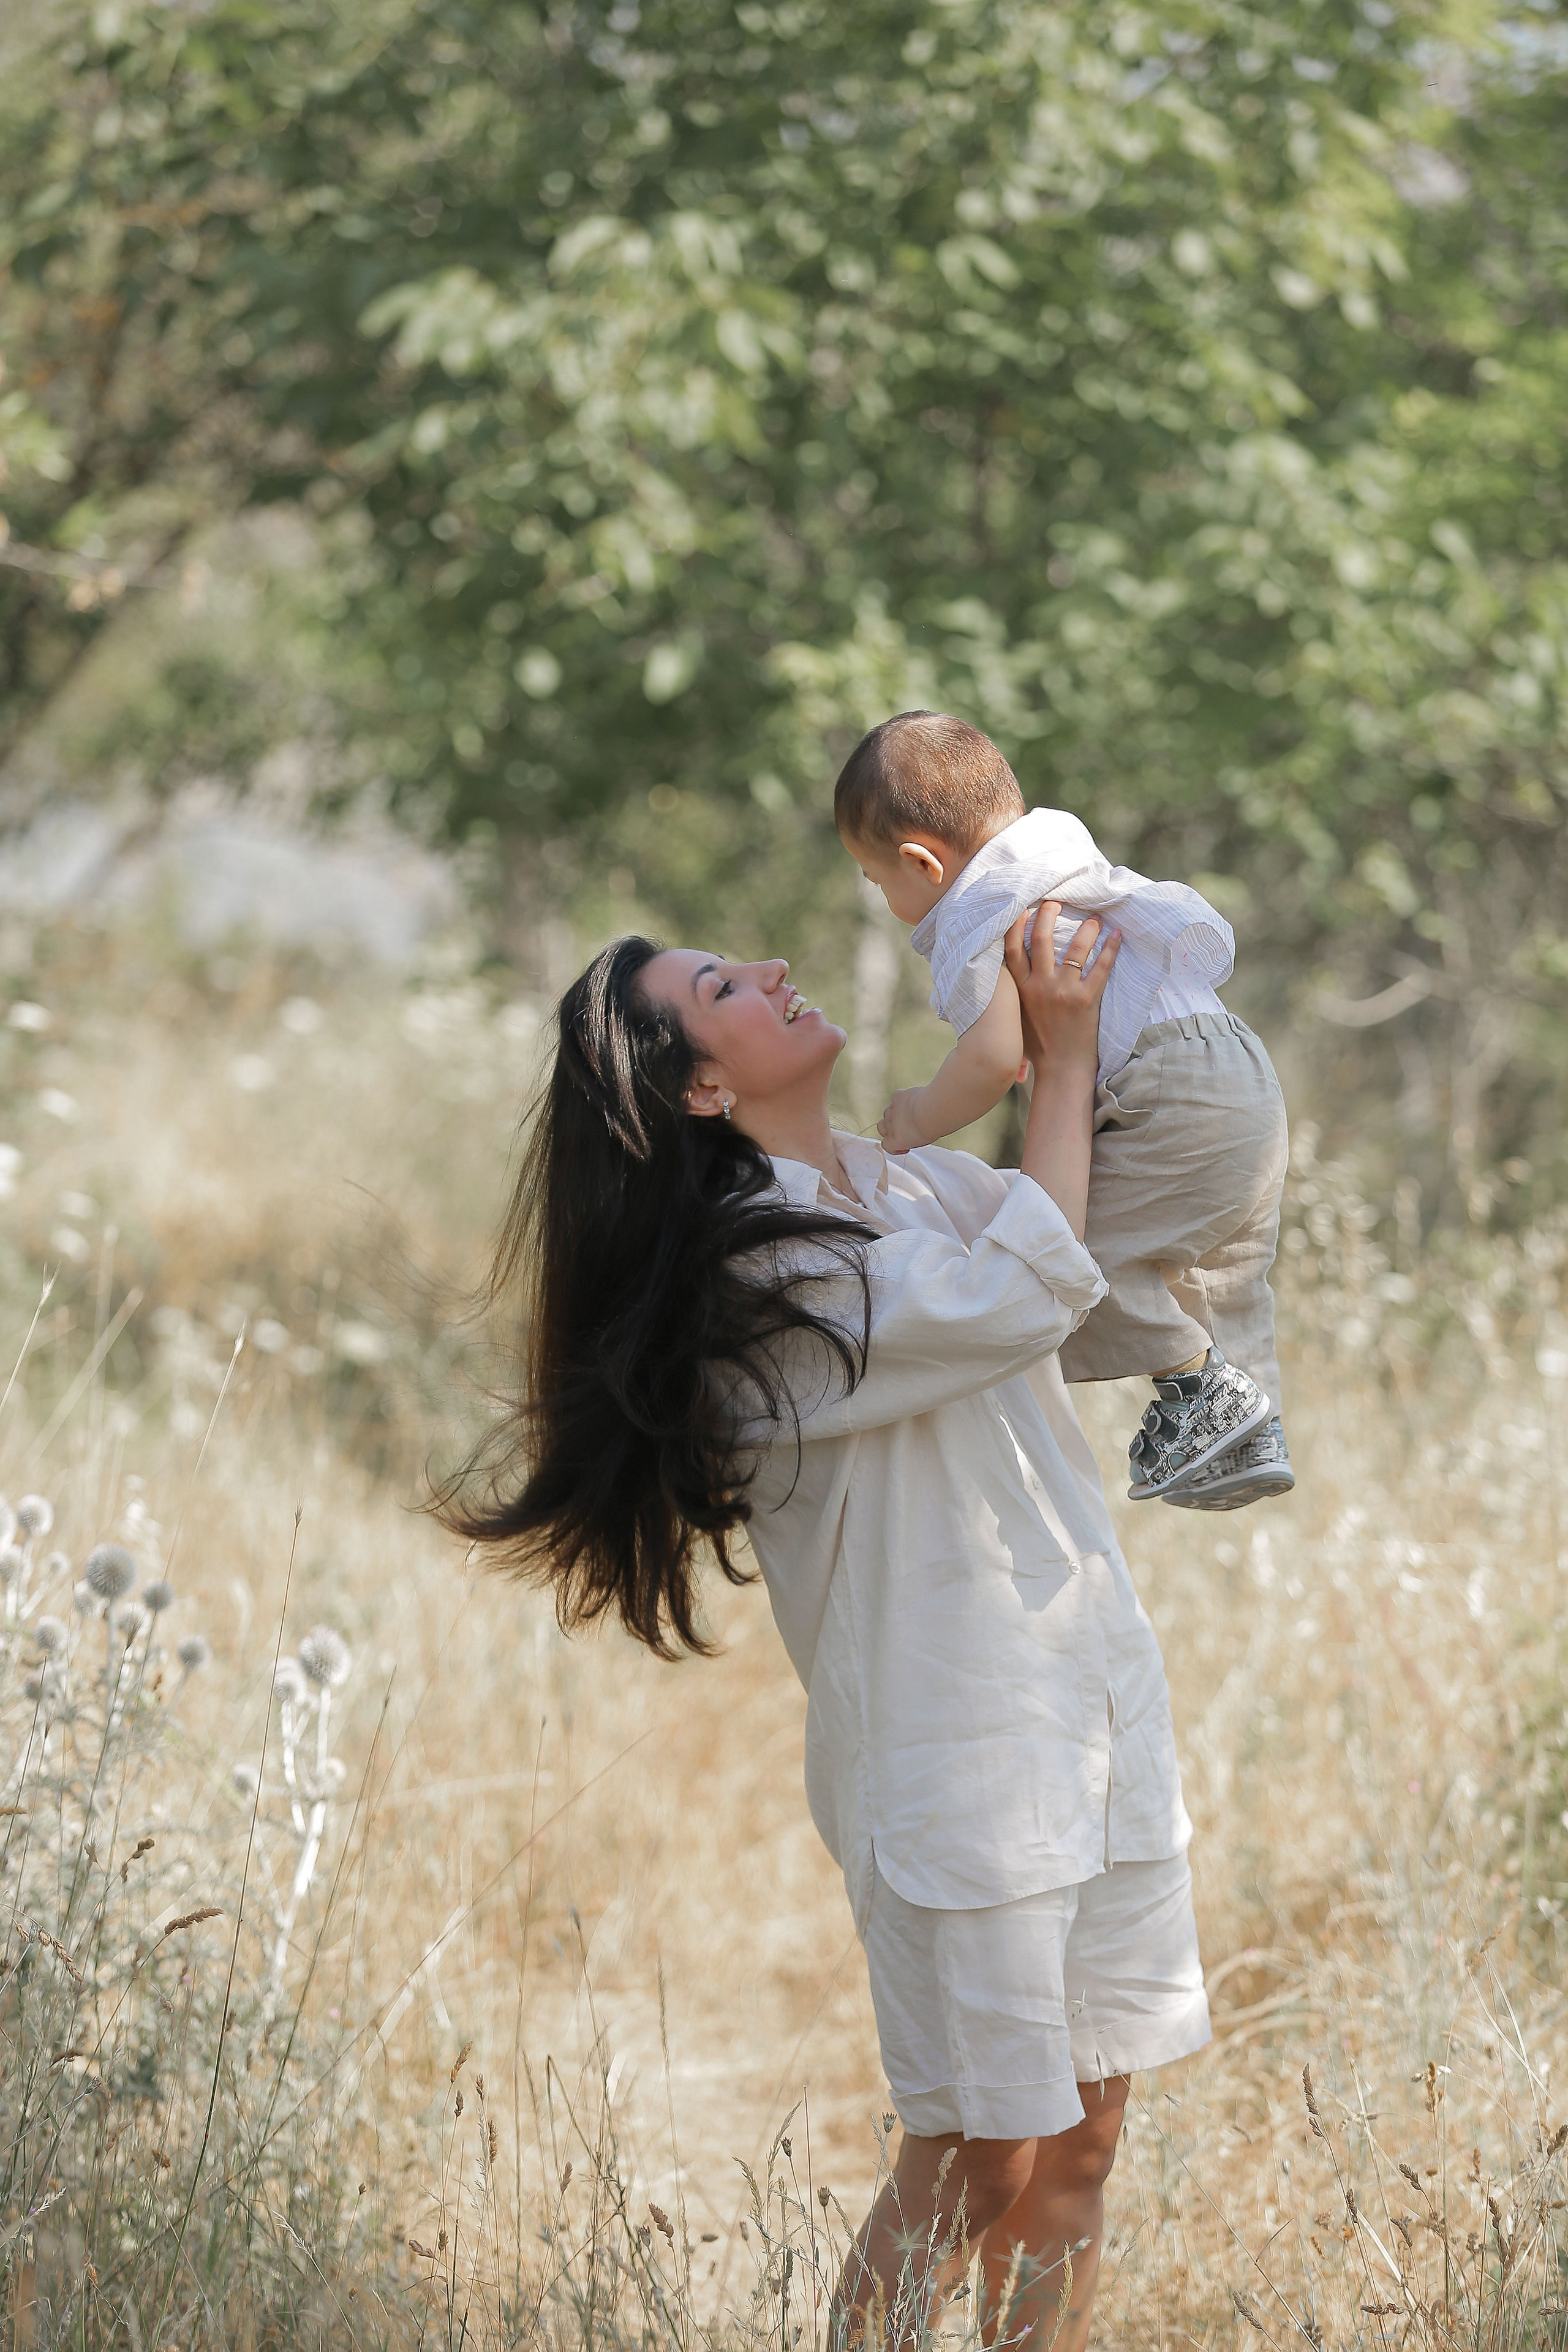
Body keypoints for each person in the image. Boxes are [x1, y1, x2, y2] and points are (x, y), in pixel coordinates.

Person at [438, 904, 1212, 2352]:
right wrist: (1052, 1066)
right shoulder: (755, 1276)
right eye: (722, 986)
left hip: (1089, 1702)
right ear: (698, 1087)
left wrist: (1067, 990)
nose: (771, 970)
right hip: (955, 1752)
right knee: (977, 2156)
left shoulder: (908, 1184)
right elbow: (1023, 1290)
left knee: (1083, 2143)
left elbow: (1074, 1257)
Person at [835, 709, 1293, 1513]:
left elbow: (987, 1059)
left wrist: (918, 1117)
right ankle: (1250, 1433)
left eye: (878, 882)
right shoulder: (1057, 857)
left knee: (1069, 1263)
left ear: (921, 862)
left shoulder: (979, 911)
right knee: (1227, 1266)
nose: (884, 897)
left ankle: (1201, 1387)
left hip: (1168, 1092)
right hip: (1239, 1067)